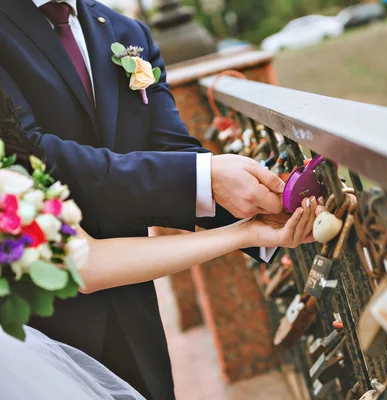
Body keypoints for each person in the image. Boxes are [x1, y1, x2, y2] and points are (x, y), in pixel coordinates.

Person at [0, 0, 287, 397]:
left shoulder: (127, 33)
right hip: (36, 312)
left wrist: (272, 203)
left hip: (134, 298)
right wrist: (204, 177)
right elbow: (32, 152)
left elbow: (170, 148)